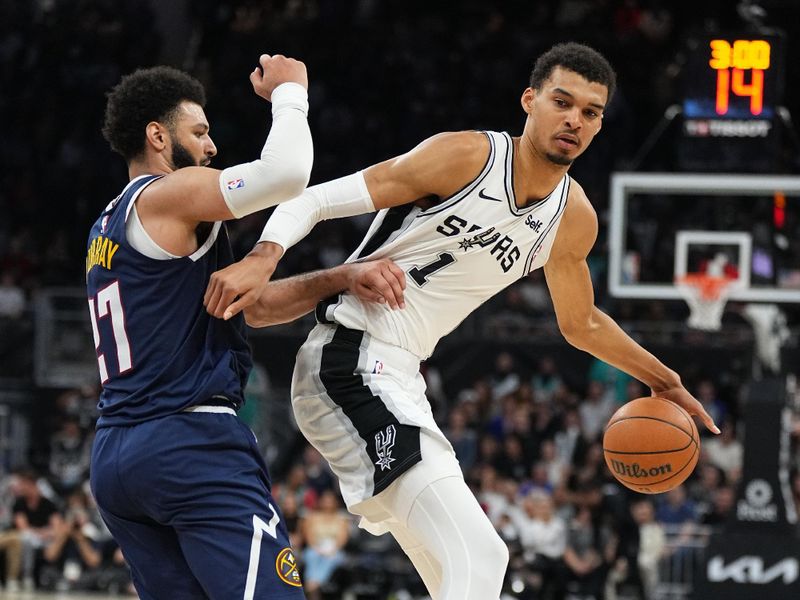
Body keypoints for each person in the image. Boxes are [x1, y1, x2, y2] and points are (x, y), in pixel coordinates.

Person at [204, 42, 719, 599]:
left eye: (591, 112)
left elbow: (582, 323)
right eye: (562, 102)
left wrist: (665, 380)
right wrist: (263, 256)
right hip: (350, 361)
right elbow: (315, 201)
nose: (574, 119)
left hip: (399, 375)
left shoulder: (573, 219)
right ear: (530, 100)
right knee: (482, 556)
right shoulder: (465, 157)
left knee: (462, 578)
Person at [86, 55, 406, 599]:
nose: (211, 146)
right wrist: (291, 94)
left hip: (117, 453)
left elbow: (250, 307)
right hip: (188, 442)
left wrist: (341, 278)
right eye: (200, 131)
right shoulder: (168, 195)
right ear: (158, 137)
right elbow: (285, 176)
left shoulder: (106, 226)